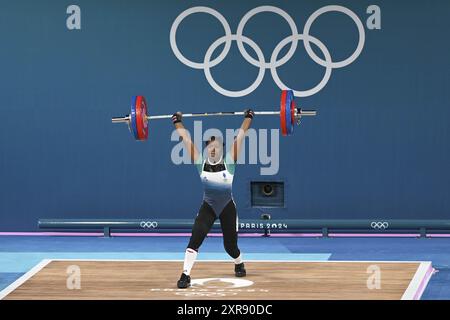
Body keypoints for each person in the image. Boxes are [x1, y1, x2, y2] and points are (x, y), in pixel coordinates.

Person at [171, 109, 254, 288]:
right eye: (209, 147)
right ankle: (185, 275)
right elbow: (186, 139)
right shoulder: (200, 162)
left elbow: (241, 135)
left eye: (216, 146)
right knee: (195, 238)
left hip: (227, 207)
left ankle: (239, 262)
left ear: (221, 149)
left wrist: (248, 117)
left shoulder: (229, 161)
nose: (213, 149)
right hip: (208, 206)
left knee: (230, 247)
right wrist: (177, 120)